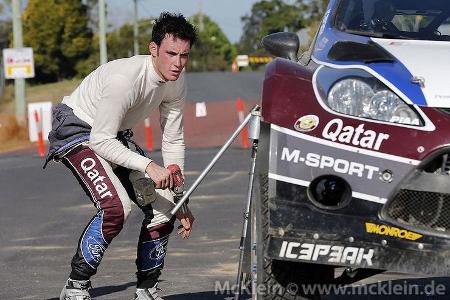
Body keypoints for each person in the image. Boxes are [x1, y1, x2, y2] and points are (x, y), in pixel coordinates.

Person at [44, 12, 197, 300]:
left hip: (113, 135)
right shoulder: (124, 79)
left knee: (164, 208)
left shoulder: (176, 80)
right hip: (80, 129)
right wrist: (148, 165)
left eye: (185, 56)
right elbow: (100, 140)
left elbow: (173, 137)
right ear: (154, 50)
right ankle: (76, 285)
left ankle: (146, 290)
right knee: (116, 207)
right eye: (171, 54)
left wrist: (179, 194)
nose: (177, 63)